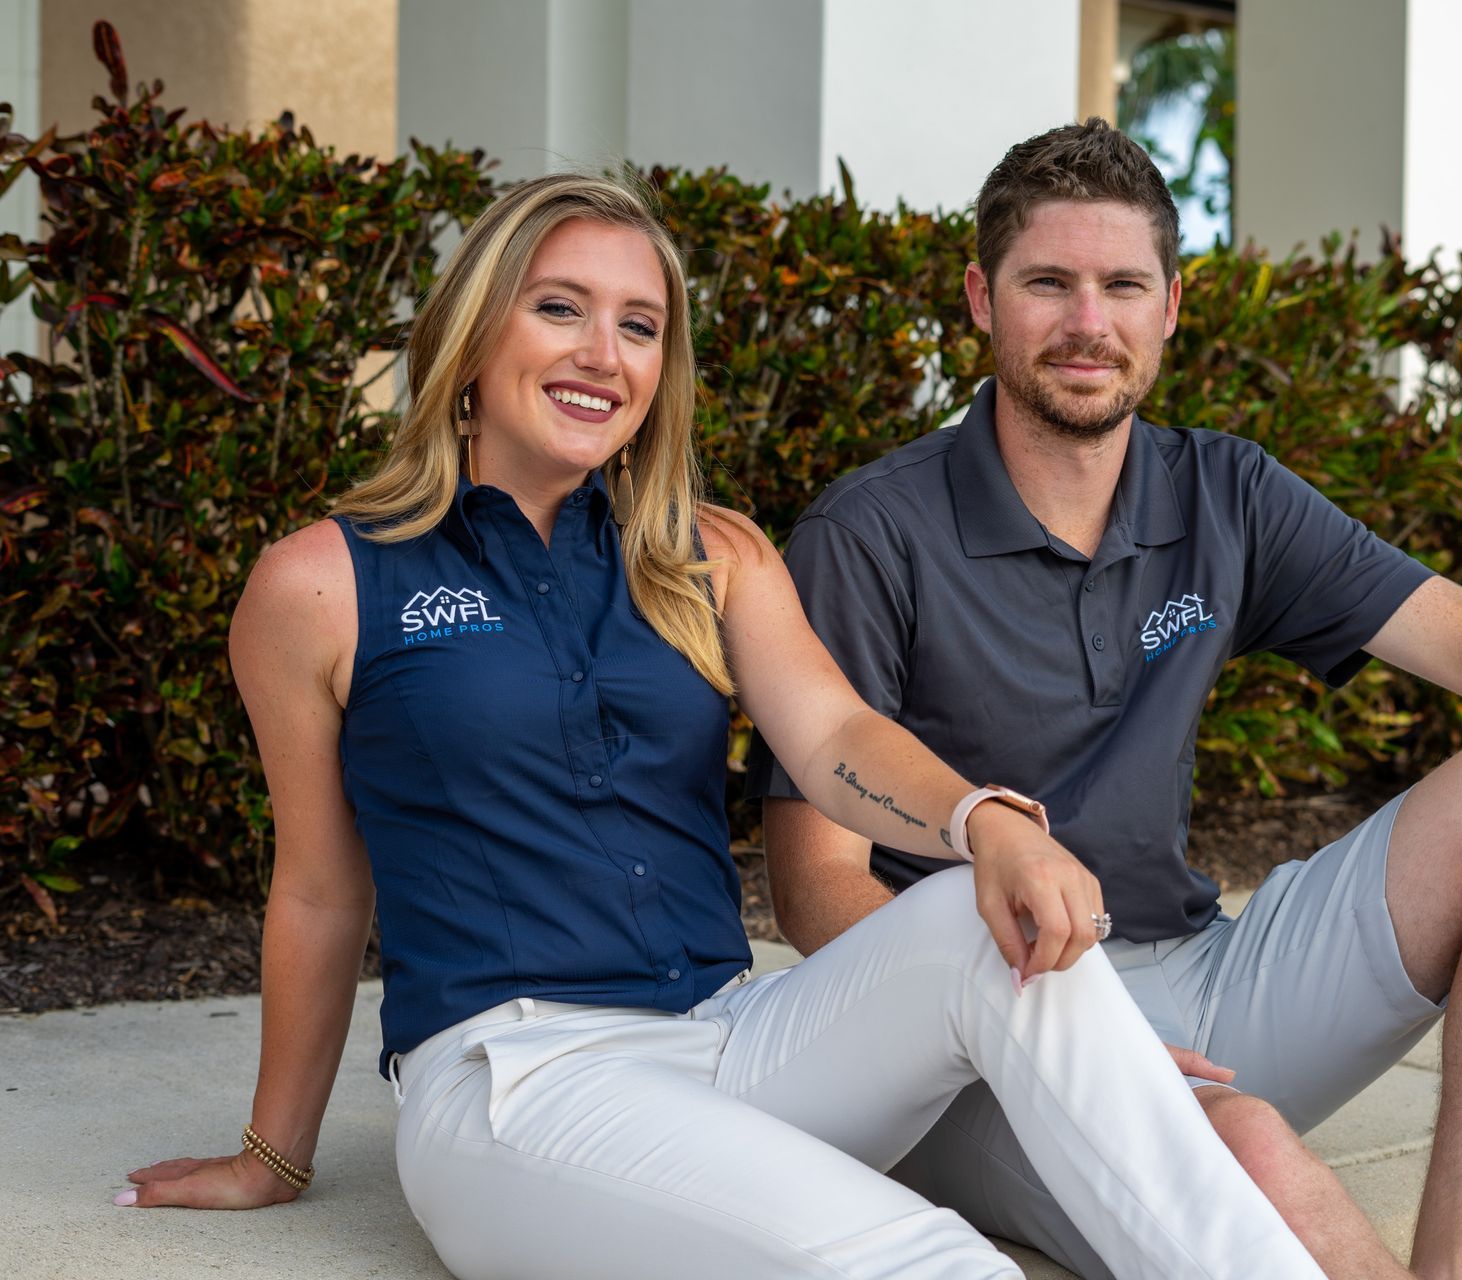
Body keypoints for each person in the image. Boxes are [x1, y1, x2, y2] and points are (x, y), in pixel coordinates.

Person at [111, 174, 1329, 1280]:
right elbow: (322, 891)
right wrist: (273, 1151)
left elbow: (836, 737)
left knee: (980, 902)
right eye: (560, 309)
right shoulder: (320, 584)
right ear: (474, 333)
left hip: (735, 1038)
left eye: (640, 326)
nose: (605, 354)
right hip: (520, 1079)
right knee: (923, 1256)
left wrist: (982, 821)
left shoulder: (709, 556)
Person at [747, 120, 1462, 1280]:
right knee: (1247, 1146)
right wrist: (1066, 1037)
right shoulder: (873, 531)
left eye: (1122, 286)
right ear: (982, 301)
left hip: (1199, 979)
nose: (1088, 322)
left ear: (1172, 308)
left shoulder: (1223, 490)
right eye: (1048, 282)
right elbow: (815, 888)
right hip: (974, 1037)